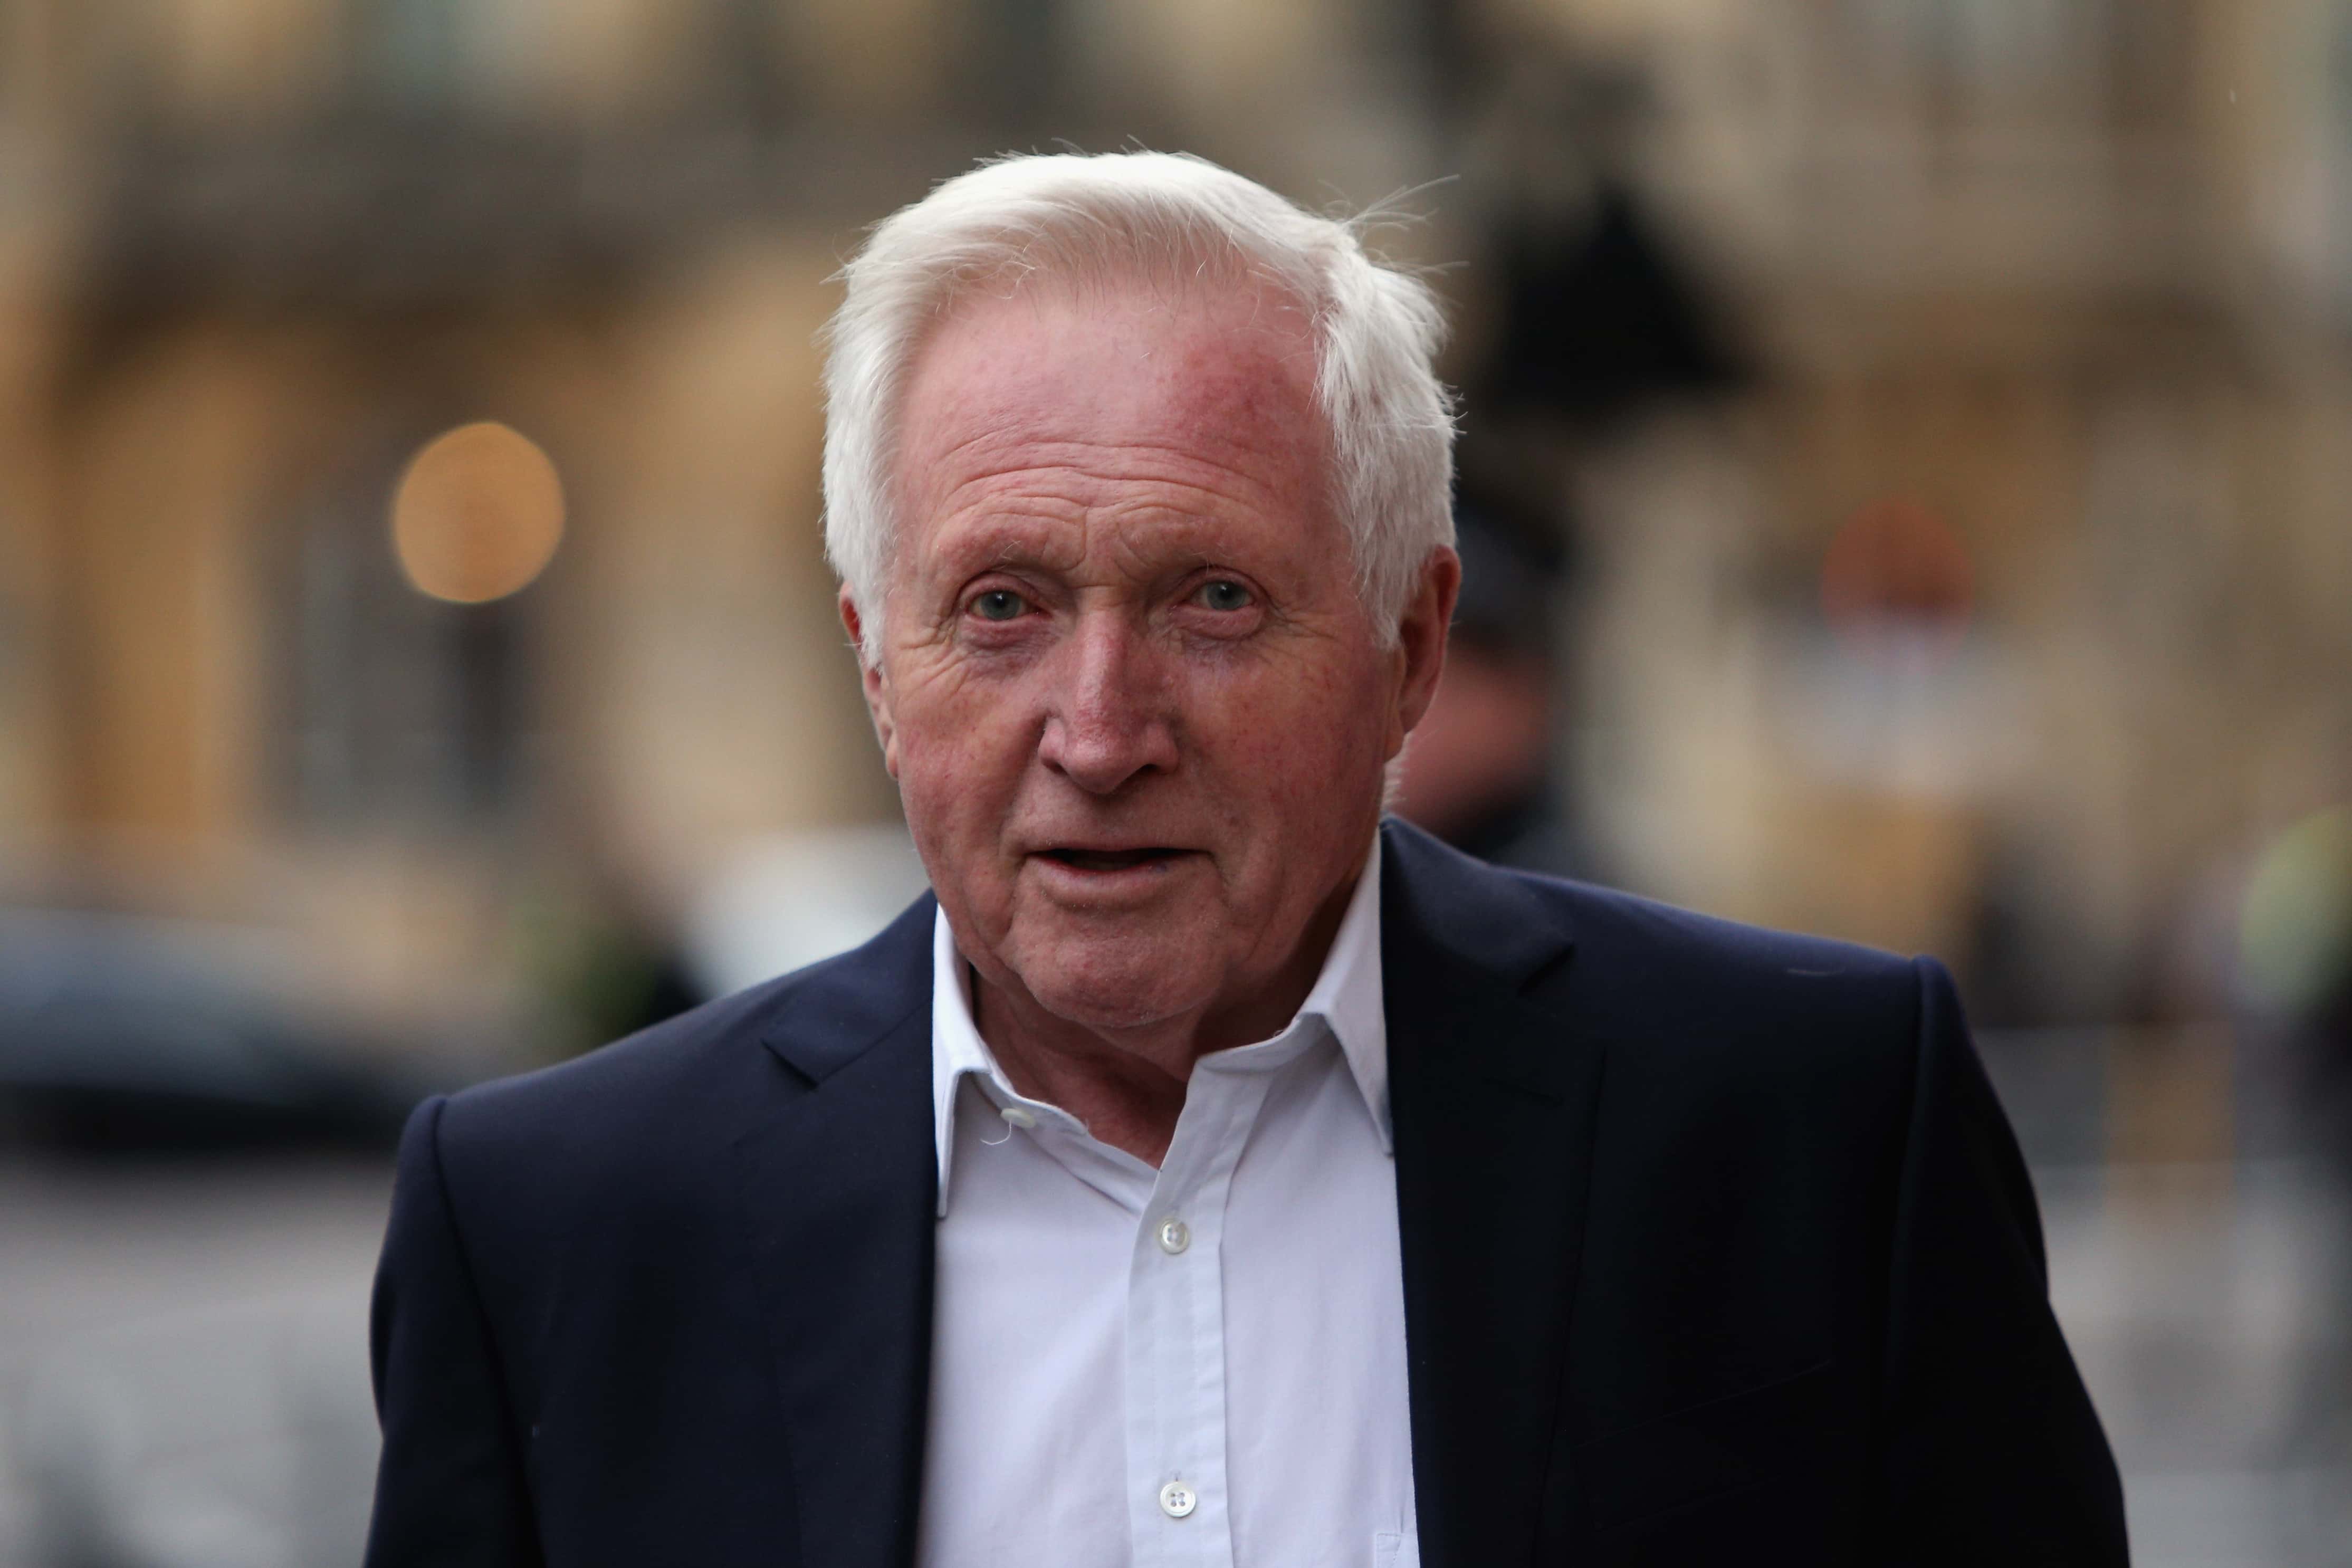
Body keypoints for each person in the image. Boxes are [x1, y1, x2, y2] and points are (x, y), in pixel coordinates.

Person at [363, 152, 2126, 1567]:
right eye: (1001, 606)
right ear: (875, 669)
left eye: (1211, 598)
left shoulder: (1814, 1129)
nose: (1100, 730)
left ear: (1409, 649)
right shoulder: (553, 1226)